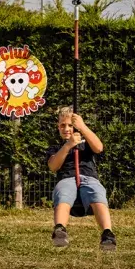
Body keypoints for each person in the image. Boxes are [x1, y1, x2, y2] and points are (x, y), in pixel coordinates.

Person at [45, 106, 116, 251]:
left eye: (71, 125)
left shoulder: (85, 142)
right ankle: (60, 229)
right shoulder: (56, 147)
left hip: (89, 177)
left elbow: (99, 147)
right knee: (63, 193)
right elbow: (53, 166)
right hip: (67, 178)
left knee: (97, 193)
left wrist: (83, 127)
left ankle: (107, 233)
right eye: (62, 125)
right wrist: (68, 145)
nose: (66, 129)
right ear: (58, 127)